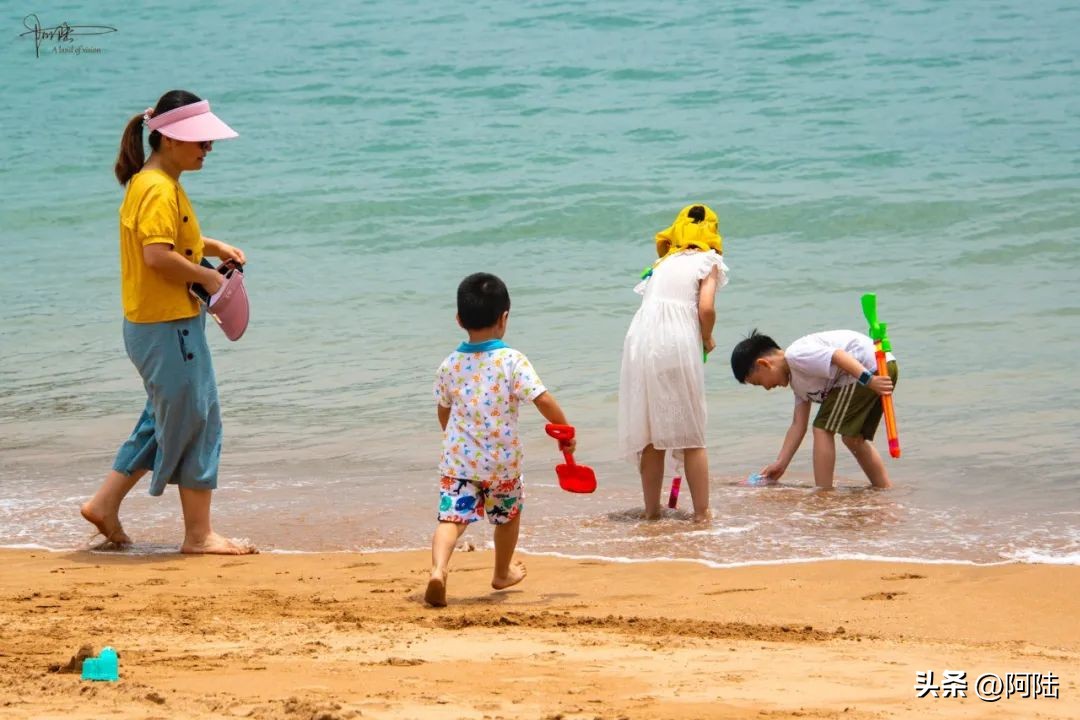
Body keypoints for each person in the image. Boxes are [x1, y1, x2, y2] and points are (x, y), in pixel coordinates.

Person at [79, 90, 256, 554]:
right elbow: (157, 256)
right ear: (171, 138)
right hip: (167, 327)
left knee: (163, 420)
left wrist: (210, 247)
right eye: (201, 141)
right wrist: (209, 279)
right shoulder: (158, 188)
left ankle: (104, 504)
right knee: (200, 420)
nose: (208, 149)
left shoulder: (153, 181)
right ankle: (199, 536)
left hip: (156, 325)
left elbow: (170, 239)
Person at [426, 272, 574, 607]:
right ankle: (502, 571)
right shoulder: (512, 361)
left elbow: (443, 411)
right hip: (501, 464)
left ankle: (438, 570)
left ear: (459, 319)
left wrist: (454, 441)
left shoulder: (449, 364)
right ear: (504, 318)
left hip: (458, 462)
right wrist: (565, 430)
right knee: (507, 516)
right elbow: (543, 400)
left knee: (451, 518)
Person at [617, 204, 729, 522]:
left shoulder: (662, 263)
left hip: (640, 342)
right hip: (676, 341)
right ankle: (702, 513)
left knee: (654, 434)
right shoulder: (708, 261)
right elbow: (705, 308)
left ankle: (652, 512)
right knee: (691, 434)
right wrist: (707, 337)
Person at [730, 329, 898, 489]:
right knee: (852, 438)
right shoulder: (798, 384)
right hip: (880, 367)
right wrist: (781, 464)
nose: (766, 388)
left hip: (870, 368)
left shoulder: (796, 355)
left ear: (764, 364)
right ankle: (883, 487)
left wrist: (868, 380)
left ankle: (824, 491)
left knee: (822, 428)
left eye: (759, 382)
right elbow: (798, 425)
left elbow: (837, 355)